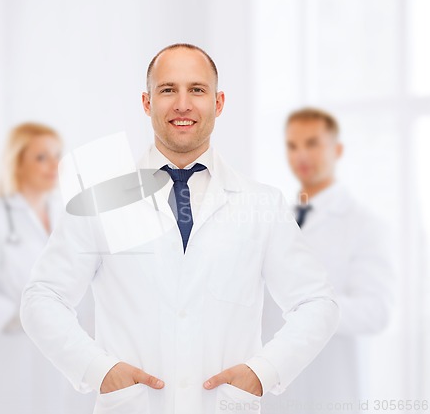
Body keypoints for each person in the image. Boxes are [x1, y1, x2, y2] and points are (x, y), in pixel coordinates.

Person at [20, 44, 340, 414]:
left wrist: (264, 371)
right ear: (147, 102)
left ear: (219, 103)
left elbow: (317, 303)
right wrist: (99, 370)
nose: (183, 104)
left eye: (197, 90)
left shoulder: (261, 204)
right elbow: (42, 297)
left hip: (226, 406)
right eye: (168, 89)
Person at [261, 108, 395, 414]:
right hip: (276, 386)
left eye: (312, 144)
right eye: (292, 146)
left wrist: (312, 308)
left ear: (337, 150)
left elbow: (377, 311)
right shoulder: (279, 217)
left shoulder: (364, 224)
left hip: (330, 387)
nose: (301, 156)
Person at [0, 122, 96, 414]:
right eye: (41, 157)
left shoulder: (66, 214)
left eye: (58, 155)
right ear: (17, 162)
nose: (54, 165)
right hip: (13, 357)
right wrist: (30, 319)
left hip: (61, 358)